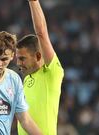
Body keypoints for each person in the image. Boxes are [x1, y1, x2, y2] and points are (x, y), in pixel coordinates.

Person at [16, 0, 64, 135]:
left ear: (37, 56)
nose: (18, 63)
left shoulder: (52, 73)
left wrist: (33, 2)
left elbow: (41, 33)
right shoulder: (25, 80)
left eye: (22, 59)